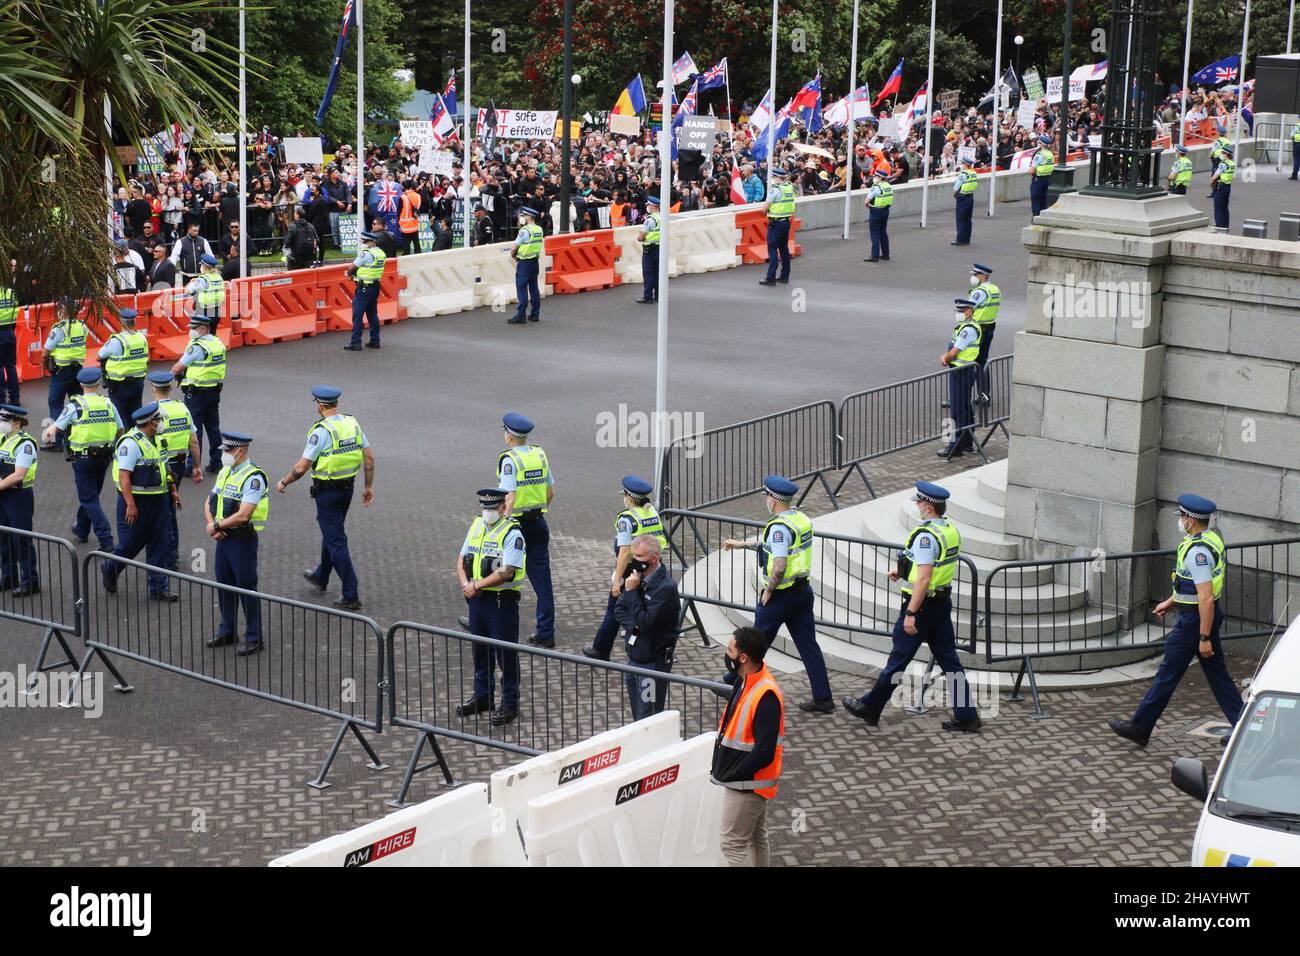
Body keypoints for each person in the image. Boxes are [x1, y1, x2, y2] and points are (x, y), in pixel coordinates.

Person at [842, 481, 981, 732]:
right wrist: (903, 572)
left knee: (897, 660)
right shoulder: (949, 529)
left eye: (919, 502)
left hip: (922, 607)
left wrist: (910, 613)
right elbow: (933, 567)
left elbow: (925, 577)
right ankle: (967, 715)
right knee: (950, 661)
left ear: (928, 507)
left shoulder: (926, 536)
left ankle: (870, 707)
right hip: (940, 604)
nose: (917, 506)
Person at [1109, 495, 1243, 747]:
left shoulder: (1197, 553)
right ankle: (1244, 729)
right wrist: (1171, 602)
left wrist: (1203, 638)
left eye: (1182, 517)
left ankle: (1140, 726)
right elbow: (1195, 588)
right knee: (1218, 675)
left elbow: (1204, 598)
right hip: (1201, 617)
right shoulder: (1211, 538)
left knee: (1168, 673)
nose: (1180, 521)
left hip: (1195, 622)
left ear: (1191, 521)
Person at [720, 475, 833, 713]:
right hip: (802, 592)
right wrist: (742, 544)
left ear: (774, 499)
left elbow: (779, 564)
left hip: (780, 596)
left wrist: (769, 590)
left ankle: (733, 684)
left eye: (768, 496)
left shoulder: (780, 527)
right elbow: (771, 545)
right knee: (808, 645)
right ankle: (823, 697)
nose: (767, 500)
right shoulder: (799, 519)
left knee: (753, 644)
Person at [276, 385, 375, 611]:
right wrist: (368, 486)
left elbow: (302, 467)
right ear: (336, 404)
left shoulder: (321, 431)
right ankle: (321, 575)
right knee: (332, 532)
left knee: (336, 540)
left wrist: (284, 481)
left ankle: (351, 593)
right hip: (347, 489)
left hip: (327, 492)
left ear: (320, 406)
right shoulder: (353, 423)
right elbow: (369, 458)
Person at [710, 625, 784, 867]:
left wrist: (734, 773)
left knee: (731, 844)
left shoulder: (765, 694)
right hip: (748, 778)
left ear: (743, 658)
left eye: (730, 650)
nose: (726, 654)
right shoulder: (747, 680)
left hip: (746, 781)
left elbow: (765, 751)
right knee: (755, 837)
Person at [455, 486, 526, 727]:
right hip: (477, 600)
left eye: (492, 507)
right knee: (480, 651)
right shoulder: (476, 525)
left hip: (500, 602)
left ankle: (510, 703)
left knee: (505, 655)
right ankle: (483, 696)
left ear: (503, 507)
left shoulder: (512, 533)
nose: (487, 512)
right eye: (484, 507)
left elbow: (507, 572)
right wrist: (467, 584)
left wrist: (476, 586)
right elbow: (461, 559)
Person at [583, 475, 668, 661]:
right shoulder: (652, 512)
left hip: (632, 572)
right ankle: (646, 647)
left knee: (614, 610)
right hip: (653, 570)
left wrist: (617, 581)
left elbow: (623, 553)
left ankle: (601, 649)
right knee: (645, 612)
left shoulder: (627, 520)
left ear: (629, 498)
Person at [101, 402, 180, 602]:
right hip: (137, 502)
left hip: (159, 501)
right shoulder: (130, 444)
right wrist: (131, 505)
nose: (161, 422)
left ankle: (158, 588)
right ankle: (110, 567)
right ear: (150, 422)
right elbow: (124, 477)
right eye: (159, 419)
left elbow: (165, 468)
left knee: (159, 544)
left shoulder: (158, 439)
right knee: (130, 543)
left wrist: (173, 489)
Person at [42, 368, 123, 551]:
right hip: (104, 458)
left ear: (81, 385)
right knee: (90, 495)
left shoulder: (75, 406)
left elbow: (53, 431)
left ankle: (106, 539)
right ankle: (82, 528)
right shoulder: (109, 404)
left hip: (83, 459)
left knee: (89, 499)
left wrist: (47, 434)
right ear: (98, 383)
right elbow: (120, 430)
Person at [204, 432, 269, 657]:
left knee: (246, 587)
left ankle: (254, 637)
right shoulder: (225, 472)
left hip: (242, 539)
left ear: (239, 451)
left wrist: (217, 525)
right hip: (223, 538)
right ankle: (228, 630)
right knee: (224, 584)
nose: (223, 455)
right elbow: (209, 501)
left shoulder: (254, 478)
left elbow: (244, 515)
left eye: (227, 451)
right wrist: (213, 524)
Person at [495, 412, 555, 647]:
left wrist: (504, 526)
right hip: (539, 524)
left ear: (509, 435)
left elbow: (509, 498)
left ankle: (488, 621)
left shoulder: (509, 460)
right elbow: (550, 492)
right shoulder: (539, 455)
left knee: (499, 571)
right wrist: (537, 511)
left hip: (516, 526)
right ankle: (546, 633)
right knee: (543, 582)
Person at [614, 533, 681, 721]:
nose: (635, 561)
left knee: (648, 718)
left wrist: (633, 593)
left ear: (653, 558)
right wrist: (636, 627)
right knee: (637, 718)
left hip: (652, 664)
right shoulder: (635, 576)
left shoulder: (665, 588)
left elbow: (646, 622)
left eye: (639, 557)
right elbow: (619, 610)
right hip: (634, 657)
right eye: (633, 556)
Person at [148, 371, 202, 571]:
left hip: (159, 467)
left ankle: (168, 555)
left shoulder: (151, 411)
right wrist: (196, 466)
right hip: (179, 465)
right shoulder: (183, 408)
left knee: (164, 511)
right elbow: (194, 440)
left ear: (153, 389)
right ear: (170, 388)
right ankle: (172, 552)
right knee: (170, 507)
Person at [170, 314, 225, 474]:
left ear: (203, 328)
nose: (191, 331)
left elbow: (177, 368)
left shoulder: (197, 347)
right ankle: (216, 462)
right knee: (214, 428)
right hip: (214, 391)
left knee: (195, 431)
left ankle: (192, 466)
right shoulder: (217, 343)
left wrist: (166, 379)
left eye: (194, 328)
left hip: (196, 395)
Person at [0, 404, 40, 596]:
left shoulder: (25, 444)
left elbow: (18, 476)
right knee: (3, 538)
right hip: (3, 495)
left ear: (16, 423)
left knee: (21, 539)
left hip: (19, 497)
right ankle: (8, 577)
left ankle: (30, 581)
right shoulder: (3, 438)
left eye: (3, 421)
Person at [41, 299, 88, 453]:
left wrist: (45, 364)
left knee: (55, 403)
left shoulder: (58, 328)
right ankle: (77, 438)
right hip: (78, 371)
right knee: (77, 404)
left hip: (61, 373)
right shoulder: (82, 326)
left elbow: (45, 352)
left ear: (64, 310)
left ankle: (57, 441)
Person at [938, 298, 981, 459]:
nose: (958, 314)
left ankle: (954, 446)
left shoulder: (968, 329)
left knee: (957, 409)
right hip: (965, 369)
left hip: (961, 371)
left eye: (961, 311)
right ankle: (967, 441)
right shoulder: (967, 326)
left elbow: (955, 351)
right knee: (965, 407)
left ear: (969, 311)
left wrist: (945, 358)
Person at [98, 308, 149, 425]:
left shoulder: (117, 341)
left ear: (120, 322)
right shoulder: (142, 338)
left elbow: (99, 356)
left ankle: (123, 441)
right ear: (135, 322)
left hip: (119, 385)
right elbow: (147, 358)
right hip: (138, 383)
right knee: (136, 414)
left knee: (119, 417)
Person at [344, 232, 385, 351]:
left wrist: (349, 274)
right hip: (375, 287)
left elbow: (352, 267)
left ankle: (355, 342)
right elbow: (369, 269)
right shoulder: (381, 253)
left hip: (364, 289)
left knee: (357, 316)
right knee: (372, 315)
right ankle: (375, 340)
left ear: (372, 242)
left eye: (365, 242)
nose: (363, 244)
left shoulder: (366, 254)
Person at [968, 263, 1000, 403]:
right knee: (982, 361)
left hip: (978, 329)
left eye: (975, 275)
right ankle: (984, 395)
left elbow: (968, 310)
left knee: (967, 361)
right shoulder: (994, 289)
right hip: (990, 326)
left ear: (983, 276)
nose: (973, 277)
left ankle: (962, 396)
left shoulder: (980, 291)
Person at [758, 168, 795, 287]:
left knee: (772, 249)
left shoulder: (775, 190)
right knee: (784, 248)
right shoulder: (789, 187)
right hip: (787, 221)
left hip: (776, 223)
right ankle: (784, 276)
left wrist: (766, 211)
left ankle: (770, 278)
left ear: (776, 177)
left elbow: (764, 208)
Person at [508, 206, 544, 325]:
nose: (522, 218)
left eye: (523, 216)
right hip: (534, 262)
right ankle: (535, 314)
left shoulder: (525, 230)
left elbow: (514, 247)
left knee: (522, 288)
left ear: (529, 217)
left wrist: (513, 254)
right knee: (534, 288)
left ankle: (520, 315)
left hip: (524, 263)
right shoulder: (539, 229)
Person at [187, 254, 225, 332]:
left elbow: (188, 291)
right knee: (212, 335)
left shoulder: (202, 280)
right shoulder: (219, 277)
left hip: (203, 314)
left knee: (200, 338)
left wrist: (191, 282)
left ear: (204, 267)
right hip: (216, 313)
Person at [636, 195, 661, 304]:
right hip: (659, 248)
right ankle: (659, 296)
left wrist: (639, 237)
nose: (647, 207)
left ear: (653, 207)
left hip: (649, 250)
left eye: (648, 205)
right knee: (657, 273)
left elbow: (641, 237)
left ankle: (648, 296)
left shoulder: (650, 220)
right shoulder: (661, 218)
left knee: (648, 273)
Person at [864, 170, 893, 263]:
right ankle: (886, 254)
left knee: (874, 233)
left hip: (875, 211)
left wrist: (868, 205)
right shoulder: (888, 185)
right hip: (886, 210)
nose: (874, 177)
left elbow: (866, 201)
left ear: (880, 177)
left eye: (876, 176)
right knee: (883, 232)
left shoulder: (876, 187)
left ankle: (874, 255)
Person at [0, 273, 18, 406]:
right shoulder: (11, 293)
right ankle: (15, 398)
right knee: (10, 366)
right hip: (10, 331)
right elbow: (15, 311)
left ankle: (1, 399)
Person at [952, 156, 978, 246]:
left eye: (963, 163)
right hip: (971, 197)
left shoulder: (963, 174)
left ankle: (960, 240)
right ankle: (967, 239)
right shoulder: (974, 173)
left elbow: (956, 187)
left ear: (966, 165)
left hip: (962, 197)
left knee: (961, 219)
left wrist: (954, 194)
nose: (962, 165)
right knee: (968, 219)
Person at [1210, 143, 1234, 234]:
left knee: (1218, 208)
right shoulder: (1232, 163)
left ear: (1226, 154)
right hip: (1228, 187)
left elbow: (1215, 176)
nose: (1221, 155)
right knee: (1225, 208)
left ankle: (1219, 226)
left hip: (1220, 187)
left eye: (1222, 153)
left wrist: (1212, 181)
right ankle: (1225, 226)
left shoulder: (1223, 164)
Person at [1029, 134, 1055, 217]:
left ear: (1041, 144)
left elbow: (1032, 170)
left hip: (1038, 179)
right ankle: (1043, 218)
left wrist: (1030, 170)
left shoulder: (1039, 155)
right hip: (1046, 179)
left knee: (1035, 199)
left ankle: (1036, 218)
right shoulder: (1050, 154)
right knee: (1043, 200)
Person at [397, 183, 422, 255]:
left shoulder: (403, 197)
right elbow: (418, 208)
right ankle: (419, 256)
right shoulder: (418, 196)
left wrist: (399, 221)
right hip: (415, 224)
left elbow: (398, 211)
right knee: (416, 242)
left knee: (406, 244)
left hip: (405, 226)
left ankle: (406, 256)